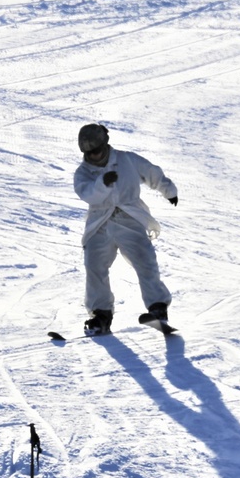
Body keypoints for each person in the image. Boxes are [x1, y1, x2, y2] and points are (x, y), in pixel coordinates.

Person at [73, 123, 178, 335]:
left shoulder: (126, 160)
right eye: (89, 152)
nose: (94, 156)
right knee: (94, 266)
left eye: (97, 150)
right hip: (99, 222)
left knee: (145, 260)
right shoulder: (83, 173)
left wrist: (168, 190)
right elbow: (89, 195)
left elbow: (152, 173)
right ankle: (100, 314)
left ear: (106, 144)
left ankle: (157, 308)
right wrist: (103, 183)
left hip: (129, 218)